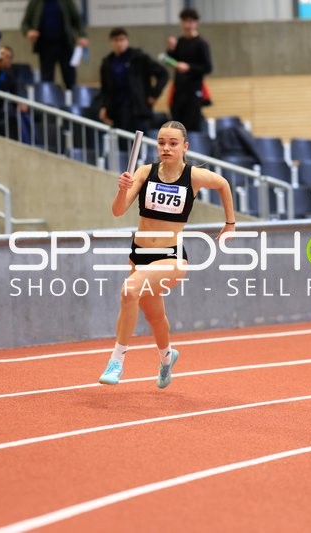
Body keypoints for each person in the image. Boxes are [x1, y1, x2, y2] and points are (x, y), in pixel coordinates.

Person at [98, 120, 235, 388]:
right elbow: (117, 211)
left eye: (173, 143)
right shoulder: (144, 172)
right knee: (154, 316)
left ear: (185, 146)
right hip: (139, 254)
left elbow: (224, 184)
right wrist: (122, 189)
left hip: (170, 257)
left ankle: (116, 360)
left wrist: (230, 223)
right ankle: (166, 357)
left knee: (129, 291)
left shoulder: (193, 176)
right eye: (161, 142)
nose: (166, 148)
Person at [98, 27, 169, 137]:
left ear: (127, 41)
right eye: (116, 40)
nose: (119, 43)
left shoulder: (139, 58)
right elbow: (105, 89)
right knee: (122, 145)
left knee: (138, 145)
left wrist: (154, 94)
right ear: (111, 42)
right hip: (117, 111)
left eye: (122, 40)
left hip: (138, 111)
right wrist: (104, 106)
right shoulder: (107, 63)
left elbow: (163, 73)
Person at [21, 0, 89, 90]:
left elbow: (77, 20)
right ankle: (47, 103)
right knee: (46, 80)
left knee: (70, 79)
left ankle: (72, 101)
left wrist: (82, 36)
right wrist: (28, 32)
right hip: (45, 47)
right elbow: (25, 23)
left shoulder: (66, 2)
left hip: (65, 46)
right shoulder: (35, 2)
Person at [165, 8, 212, 132]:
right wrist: (170, 49)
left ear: (195, 23)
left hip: (194, 91)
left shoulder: (202, 43)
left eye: (190, 22)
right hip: (178, 91)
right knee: (176, 127)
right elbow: (171, 60)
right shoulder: (179, 42)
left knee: (191, 127)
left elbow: (208, 67)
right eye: (185, 21)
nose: (187, 25)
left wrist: (189, 67)